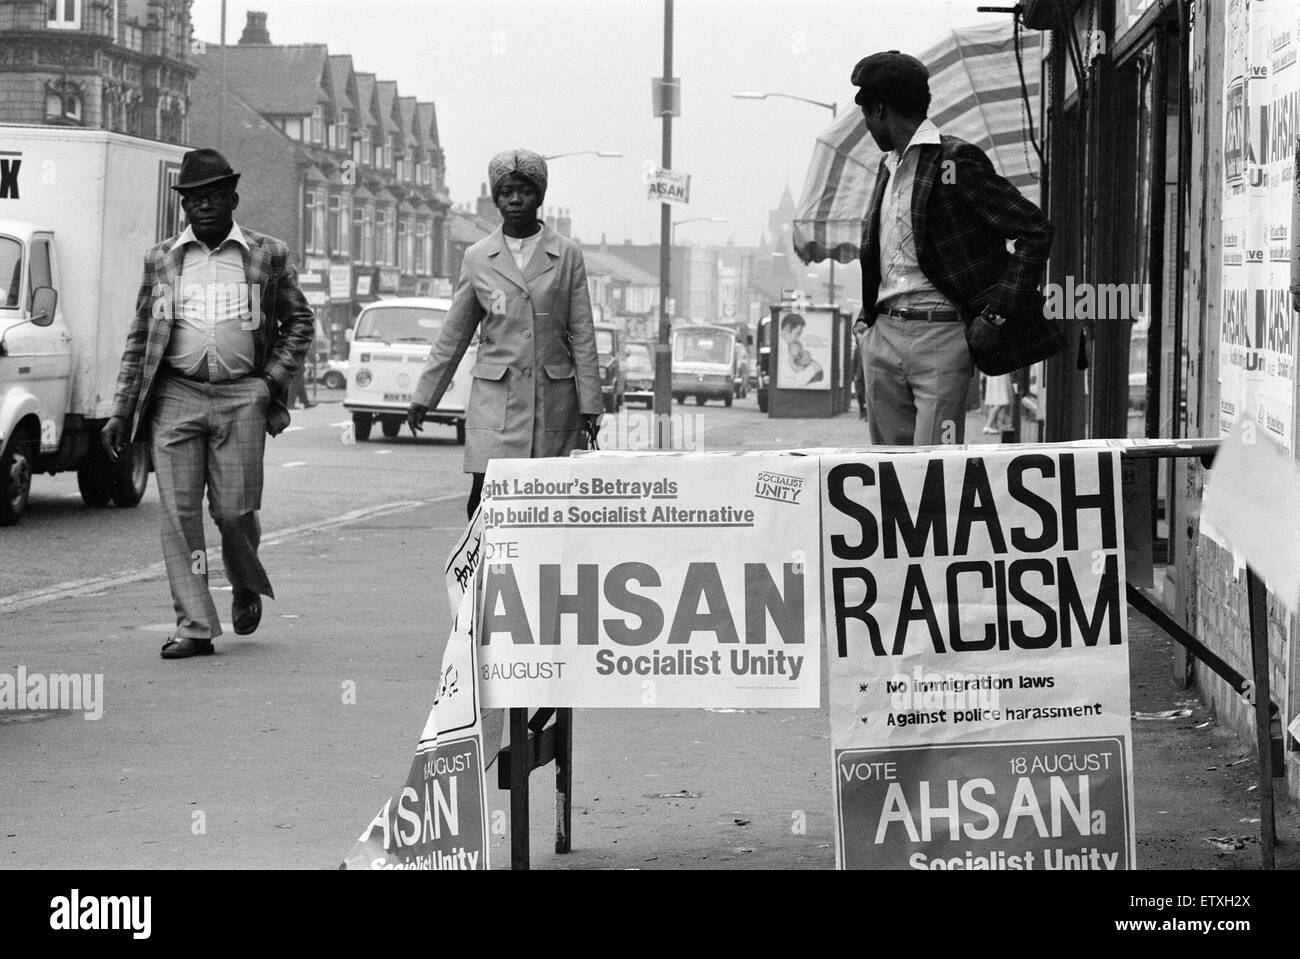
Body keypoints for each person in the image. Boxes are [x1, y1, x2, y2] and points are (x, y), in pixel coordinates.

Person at [102, 148, 314, 659]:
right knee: (178, 515)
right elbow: (140, 337)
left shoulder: (268, 254)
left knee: (235, 512)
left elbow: (300, 323)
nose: (205, 206)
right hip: (176, 393)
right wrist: (121, 410)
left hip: (244, 394)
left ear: (233, 199)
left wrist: (270, 382)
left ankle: (244, 581)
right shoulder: (162, 259)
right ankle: (195, 624)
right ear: (184, 206)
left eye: (215, 196)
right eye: (194, 198)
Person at [850, 50, 1052, 445]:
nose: (869, 128)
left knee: (936, 474)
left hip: (941, 339)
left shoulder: (953, 162)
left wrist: (995, 316)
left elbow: (1034, 231)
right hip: (882, 335)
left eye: (867, 118)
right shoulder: (887, 167)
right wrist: (866, 324)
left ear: (879, 109)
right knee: (888, 476)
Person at [407, 149, 602, 517]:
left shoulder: (568, 256)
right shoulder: (478, 257)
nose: (515, 199)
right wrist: (424, 396)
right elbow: (455, 333)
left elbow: (583, 335)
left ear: (540, 196)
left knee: (548, 507)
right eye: (506, 191)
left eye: (525, 191)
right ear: (495, 198)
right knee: (483, 505)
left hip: (554, 401)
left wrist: (590, 404)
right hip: (496, 402)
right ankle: (487, 575)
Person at [778, 313, 824, 387]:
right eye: (798, 333)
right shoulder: (782, 350)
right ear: (787, 328)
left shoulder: (792, 346)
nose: (799, 338)